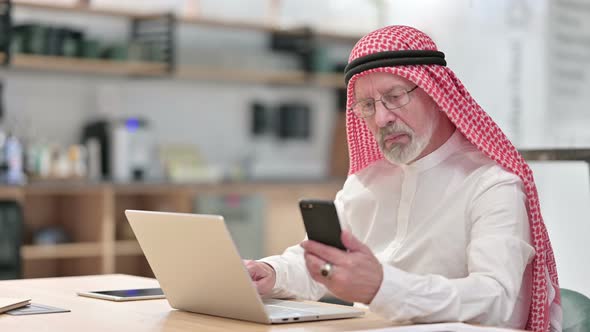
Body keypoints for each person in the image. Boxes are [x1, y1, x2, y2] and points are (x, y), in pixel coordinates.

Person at [245, 25, 561, 332]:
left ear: (436, 94)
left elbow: (494, 300)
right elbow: (322, 263)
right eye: (367, 105)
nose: (381, 118)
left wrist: (382, 287)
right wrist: (271, 273)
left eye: (395, 97)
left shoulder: (491, 184)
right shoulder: (367, 182)